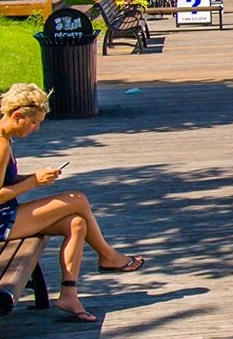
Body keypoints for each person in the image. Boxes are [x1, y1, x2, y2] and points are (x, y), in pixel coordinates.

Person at [0, 83, 144, 323]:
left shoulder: (5, 138)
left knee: (76, 223)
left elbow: (6, 179)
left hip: (6, 215)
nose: (36, 128)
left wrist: (33, 177)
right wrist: (34, 182)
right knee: (77, 200)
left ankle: (69, 295)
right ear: (17, 115)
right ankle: (108, 256)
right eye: (33, 122)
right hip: (2, 221)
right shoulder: (1, 145)